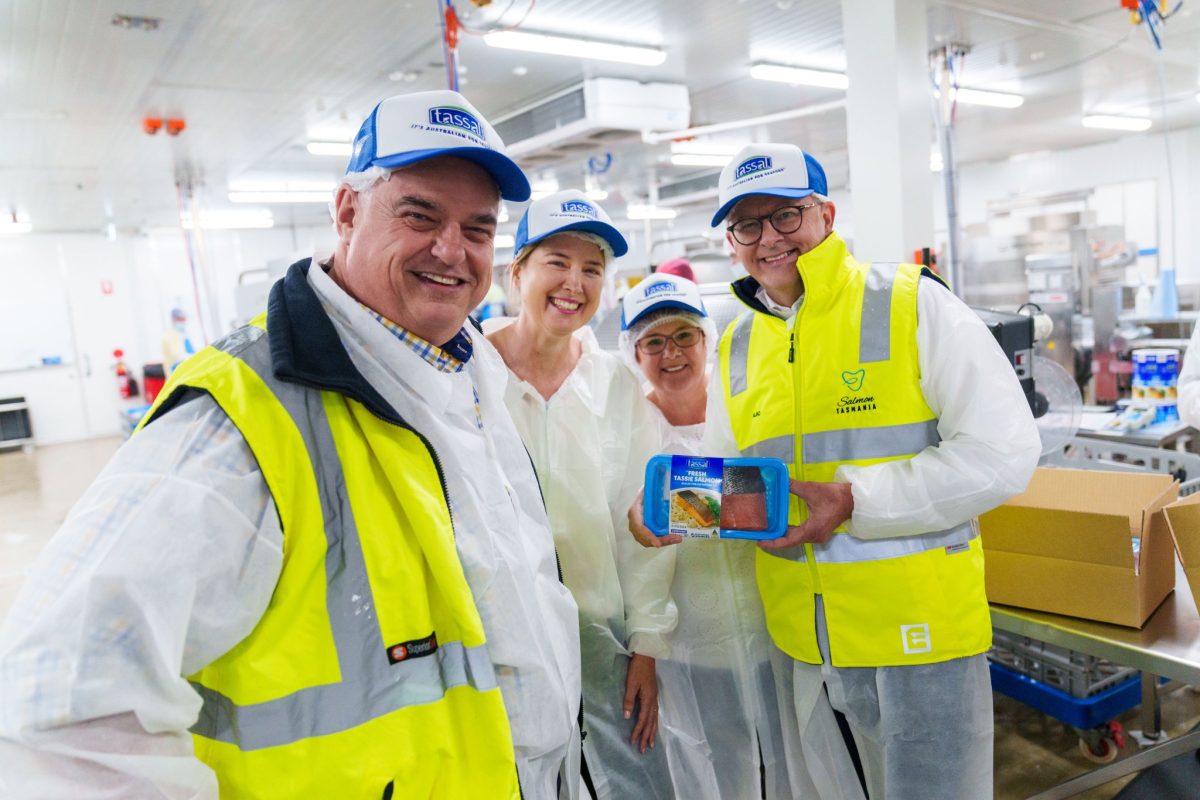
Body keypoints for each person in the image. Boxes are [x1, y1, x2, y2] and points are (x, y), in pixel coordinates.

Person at [0, 91, 582, 800]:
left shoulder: (474, 372)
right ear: (345, 211)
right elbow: (55, 702)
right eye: (419, 215)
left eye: (478, 227)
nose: (451, 250)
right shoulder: (242, 421)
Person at [632, 143, 1041, 799]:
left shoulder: (911, 304)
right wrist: (670, 508)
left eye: (786, 217)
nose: (769, 239)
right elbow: (747, 486)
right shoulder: (737, 342)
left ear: (824, 213)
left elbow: (1004, 453)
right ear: (731, 241)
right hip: (801, 645)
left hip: (918, 636)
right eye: (747, 226)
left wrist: (856, 500)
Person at [618, 274, 864, 800]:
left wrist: (696, 501)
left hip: (773, 628)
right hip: (690, 643)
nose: (672, 352)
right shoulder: (627, 431)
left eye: (684, 335)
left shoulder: (748, 412)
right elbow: (634, 551)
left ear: (707, 341)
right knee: (717, 771)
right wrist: (646, 646)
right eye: (653, 341)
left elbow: (768, 501)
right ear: (633, 354)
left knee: (801, 763)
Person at [483, 190, 677, 800]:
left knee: (629, 783)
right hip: (497, 648)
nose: (575, 282)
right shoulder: (466, 377)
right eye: (557, 262)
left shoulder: (615, 384)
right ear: (517, 272)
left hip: (603, 641)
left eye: (592, 268)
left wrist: (647, 642)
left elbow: (641, 525)